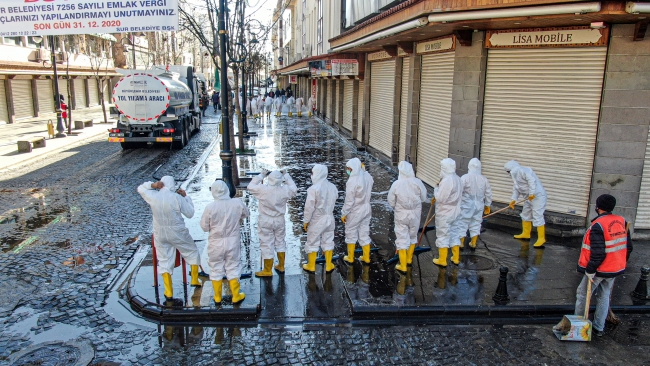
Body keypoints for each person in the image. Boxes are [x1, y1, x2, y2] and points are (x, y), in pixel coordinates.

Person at [565, 194, 632, 337]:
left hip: (599, 270)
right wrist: (619, 262)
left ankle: (579, 327)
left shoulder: (598, 226)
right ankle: (598, 328)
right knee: (604, 296)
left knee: (583, 294)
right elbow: (628, 247)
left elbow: (598, 252)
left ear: (598, 207)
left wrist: (590, 270)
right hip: (614, 269)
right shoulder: (621, 221)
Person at [137, 176, 201, 299]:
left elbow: (140, 188)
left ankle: (168, 291)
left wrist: (153, 185)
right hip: (177, 231)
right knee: (191, 251)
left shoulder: (153, 196)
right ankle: (194, 279)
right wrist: (186, 197)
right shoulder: (176, 197)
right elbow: (190, 213)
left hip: (160, 232)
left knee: (164, 260)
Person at [200, 180, 249, 305]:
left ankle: (217, 297)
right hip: (232, 241)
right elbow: (245, 214)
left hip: (215, 242)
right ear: (227, 190)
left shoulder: (210, 207)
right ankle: (236, 295)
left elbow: (204, 227)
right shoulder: (236, 203)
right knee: (233, 266)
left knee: (216, 268)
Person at [248, 169, 298, 277]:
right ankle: (281, 265)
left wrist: (261, 175)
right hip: (279, 219)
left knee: (266, 243)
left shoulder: (263, 190)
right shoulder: (284, 190)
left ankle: (267, 270)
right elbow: (294, 188)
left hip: (265, 219)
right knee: (280, 241)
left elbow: (250, 186)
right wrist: (286, 175)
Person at [388, 161, 427, 272]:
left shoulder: (397, 184)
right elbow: (424, 197)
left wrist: (396, 206)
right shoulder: (418, 182)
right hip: (415, 213)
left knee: (401, 237)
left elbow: (391, 200)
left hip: (401, 213)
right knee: (412, 235)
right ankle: (409, 259)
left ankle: (403, 265)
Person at [302, 164, 339, 273]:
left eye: (313, 173)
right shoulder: (333, 187)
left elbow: (309, 207)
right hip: (329, 218)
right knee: (328, 240)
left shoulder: (313, 189)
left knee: (312, 241)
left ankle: (311, 265)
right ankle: (329, 265)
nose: (312, 175)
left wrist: (306, 221)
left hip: (317, 219)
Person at [504, 160, 548, 247]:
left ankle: (541, 238)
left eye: (508, 171)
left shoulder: (523, 171)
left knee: (537, 215)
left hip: (537, 196)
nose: (508, 173)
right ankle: (526, 233)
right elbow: (516, 188)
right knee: (525, 214)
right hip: (528, 197)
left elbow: (532, 181)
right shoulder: (516, 177)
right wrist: (513, 199)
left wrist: (532, 193)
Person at [341, 158, 374, 264]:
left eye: (349, 168)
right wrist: (364, 170)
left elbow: (349, 200)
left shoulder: (352, 181)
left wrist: (344, 213)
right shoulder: (366, 176)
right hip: (367, 208)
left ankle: (350, 257)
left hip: (355, 210)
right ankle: (366, 257)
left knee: (350, 232)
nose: (348, 170)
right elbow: (370, 179)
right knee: (364, 232)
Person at [432, 158, 463, 267]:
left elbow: (441, 198)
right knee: (455, 233)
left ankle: (442, 259)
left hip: (445, 212)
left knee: (443, 234)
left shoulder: (446, 181)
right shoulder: (458, 179)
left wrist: (436, 189)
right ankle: (455, 258)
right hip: (456, 211)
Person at [456, 158, 492, 249]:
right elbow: (488, 193)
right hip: (479, 205)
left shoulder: (465, 177)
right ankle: (473, 242)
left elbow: (459, 191)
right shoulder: (484, 179)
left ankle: (461, 242)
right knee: (476, 223)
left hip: (467, 204)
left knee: (463, 222)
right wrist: (487, 205)